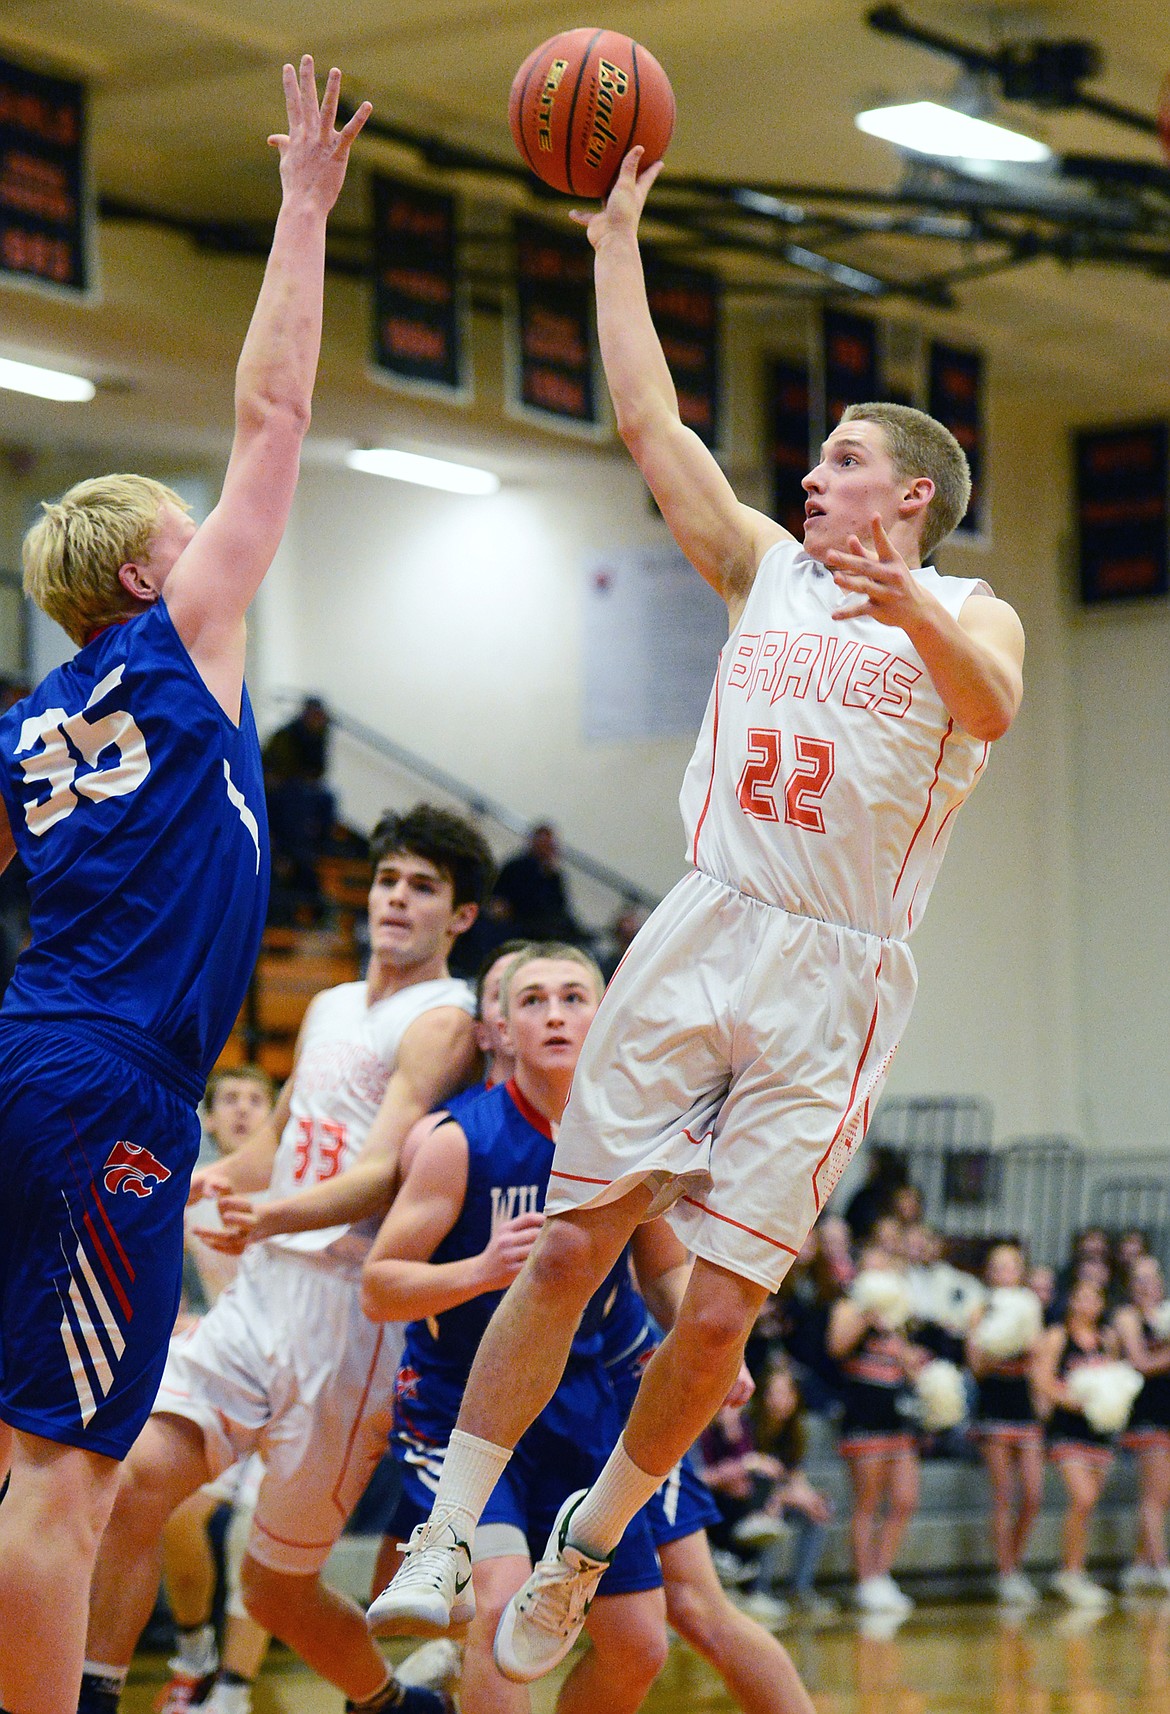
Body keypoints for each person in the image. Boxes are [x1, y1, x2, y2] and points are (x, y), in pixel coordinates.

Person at [368, 141, 1024, 1677]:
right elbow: (649, 421)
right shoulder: (763, 565)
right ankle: (456, 1529)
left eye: (842, 459)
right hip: (706, 920)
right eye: (814, 463)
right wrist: (613, 239)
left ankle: (595, 1536)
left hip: (836, 970)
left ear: (910, 489)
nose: (813, 475)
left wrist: (910, 597)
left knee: (719, 1312)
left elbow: (986, 706)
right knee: (567, 1245)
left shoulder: (969, 608)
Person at [0, 57, 371, 1714]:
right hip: (111, 1084)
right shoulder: (178, 644)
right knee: (62, 1477)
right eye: (189, 526)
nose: (220, 531)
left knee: (33, 1449)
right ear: (152, 570)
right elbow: (275, 416)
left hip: (33, 1053)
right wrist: (300, 206)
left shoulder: (24, 727)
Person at [78, 805, 492, 1714]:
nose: (395, 899)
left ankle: (399, 1706)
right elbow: (275, 1137)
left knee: (274, 1591)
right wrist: (202, 1184)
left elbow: (384, 1173)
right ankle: (93, 1699)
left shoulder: (445, 1021)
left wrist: (265, 1217)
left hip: (348, 1320)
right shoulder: (332, 1004)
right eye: (388, 880)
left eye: (423, 888)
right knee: (133, 1485)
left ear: (459, 918)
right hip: (263, 1295)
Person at [362, 945, 669, 1711]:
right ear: (500, 1024)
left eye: (574, 996)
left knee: (639, 1646)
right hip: (466, 1405)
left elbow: (664, 1270)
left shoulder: (633, 1140)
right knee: (497, 1605)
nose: (557, 1014)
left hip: (586, 1405)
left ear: (605, 1016)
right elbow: (380, 1286)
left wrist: (712, 1343)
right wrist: (480, 1271)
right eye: (534, 1000)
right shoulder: (457, 1140)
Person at [158, 1066, 276, 1714]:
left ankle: (232, 1689)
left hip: (292, 1384)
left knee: (252, 1535)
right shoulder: (193, 1185)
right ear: (208, 1118)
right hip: (222, 1373)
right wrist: (173, 1313)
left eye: (255, 1099)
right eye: (228, 1099)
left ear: (275, 1117)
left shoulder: (305, 1186)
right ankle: (195, 1649)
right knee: (178, 1510)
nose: (239, 1110)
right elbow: (146, 1258)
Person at [827, 1245, 924, 1613]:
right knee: (867, 1502)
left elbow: (906, 1363)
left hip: (896, 1414)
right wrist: (868, 1314)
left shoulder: (898, 1315)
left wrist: (915, 1364)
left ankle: (882, 1575)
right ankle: (864, 1581)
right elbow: (836, 1346)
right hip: (863, 1414)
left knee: (905, 1498)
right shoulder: (850, 1307)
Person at [966, 1241, 1044, 1607]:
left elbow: (1039, 1356)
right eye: (996, 1266)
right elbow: (976, 1368)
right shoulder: (980, 1308)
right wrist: (998, 1346)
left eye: (1010, 1266)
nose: (1003, 1272)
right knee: (1004, 1494)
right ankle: (1006, 1572)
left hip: (1023, 1404)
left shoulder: (1030, 1306)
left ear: (1020, 1270)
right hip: (994, 1402)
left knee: (1032, 1494)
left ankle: (1015, 1563)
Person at [1035, 1275, 1119, 1607]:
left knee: (1087, 1505)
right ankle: (1070, 1572)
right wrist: (1072, 1400)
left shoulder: (1106, 1338)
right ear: (1071, 1301)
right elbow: (1041, 1379)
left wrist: (1107, 1404)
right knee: (1082, 1499)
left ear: (1101, 1304)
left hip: (1097, 1430)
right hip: (1067, 1428)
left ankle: (1074, 1571)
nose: (1087, 1304)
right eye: (1080, 1297)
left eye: (1093, 1298)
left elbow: (1114, 1378)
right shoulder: (1058, 1336)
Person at [1114, 1254, 1170, 1592]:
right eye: (1139, 1278)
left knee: (1163, 1494)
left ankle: (1139, 1566)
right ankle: (1161, 1567)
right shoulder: (1126, 1316)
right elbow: (1139, 1361)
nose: (1146, 1285)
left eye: (1152, 1277)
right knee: (1152, 1494)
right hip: (1146, 1410)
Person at [263, 695, 334, 924]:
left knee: (326, 799)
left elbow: (318, 771)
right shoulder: (285, 735)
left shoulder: (319, 737)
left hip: (297, 799)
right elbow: (273, 770)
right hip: (279, 796)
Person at [492, 823, 584, 943]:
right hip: (519, 924)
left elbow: (560, 907)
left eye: (549, 844)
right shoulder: (516, 867)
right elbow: (499, 896)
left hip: (543, 927)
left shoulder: (553, 876)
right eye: (543, 842)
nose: (546, 848)